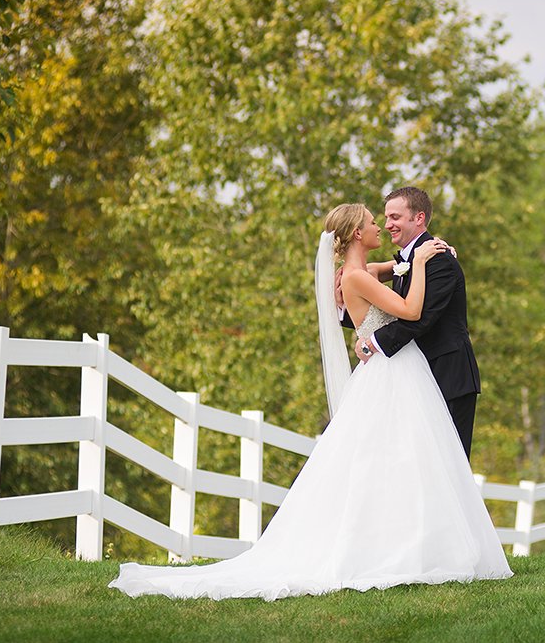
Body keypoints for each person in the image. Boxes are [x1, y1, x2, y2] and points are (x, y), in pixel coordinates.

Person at [108, 203, 511, 601]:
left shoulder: (359, 272)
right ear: (357, 234)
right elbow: (410, 310)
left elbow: (386, 272)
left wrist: (411, 259)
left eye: (388, 219)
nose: (380, 226)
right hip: (395, 372)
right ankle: (402, 550)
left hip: (401, 371)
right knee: (398, 460)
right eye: (374, 221)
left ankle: (416, 546)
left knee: (402, 461)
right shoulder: (356, 276)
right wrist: (418, 263)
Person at [349, 187, 481, 459]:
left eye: (395, 217)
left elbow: (419, 319)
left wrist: (372, 343)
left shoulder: (439, 261)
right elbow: (374, 303)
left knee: (448, 465)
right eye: (384, 218)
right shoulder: (408, 260)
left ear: (418, 218)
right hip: (417, 377)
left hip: (448, 375)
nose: (387, 225)